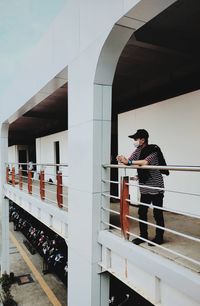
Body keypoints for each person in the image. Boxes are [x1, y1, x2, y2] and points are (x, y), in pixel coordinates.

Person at [117, 129, 169, 246]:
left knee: (157, 213)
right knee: (142, 212)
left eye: (136, 139)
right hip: (145, 187)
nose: (134, 141)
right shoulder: (138, 150)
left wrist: (128, 161)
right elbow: (129, 161)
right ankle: (143, 236)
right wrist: (121, 159)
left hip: (156, 187)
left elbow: (145, 163)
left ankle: (159, 237)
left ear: (143, 139)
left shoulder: (153, 150)